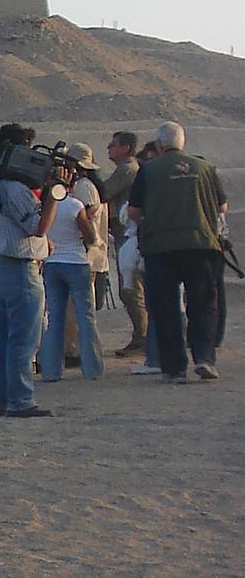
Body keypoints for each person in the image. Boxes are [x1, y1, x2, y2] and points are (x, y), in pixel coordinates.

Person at [126, 121, 225, 383]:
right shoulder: (205, 168)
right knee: (203, 304)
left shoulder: (148, 171)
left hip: (160, 249)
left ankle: (174, 368)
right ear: (183, 143)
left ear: (159, 145)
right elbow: (222, 206)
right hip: (200, 245)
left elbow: (134, 212)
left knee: (165, 308)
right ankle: (204, 358)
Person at [0, 123, 57, 418]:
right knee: (25, 339)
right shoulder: (14, 188)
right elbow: (37, 227)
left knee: (8, 339)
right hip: (20, 266)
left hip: (2, 263)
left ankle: (3, 399)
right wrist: (53, 195)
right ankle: (21, 400)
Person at [38, 166, 103, 382]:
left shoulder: (45, 206)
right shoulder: (75, 205)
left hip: (52, 262)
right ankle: (91, 368)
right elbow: (90, 236)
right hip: (75, 261)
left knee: (55, 318)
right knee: (86, 317)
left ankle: (51, 369)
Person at [104, 131, 147, 354]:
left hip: (129, 236)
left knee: (130, 289)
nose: (109, 149)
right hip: (126, 235)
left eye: (113, 145)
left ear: (126, 148)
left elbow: (104, 191)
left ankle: (143, 337)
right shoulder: (127, 169)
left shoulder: (127, 170)